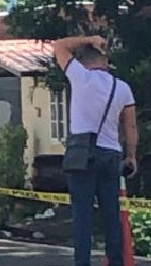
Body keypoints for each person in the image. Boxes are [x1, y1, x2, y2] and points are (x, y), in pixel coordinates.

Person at [53, 35, 138, 266]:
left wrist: (89, 38)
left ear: (85, 61)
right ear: (106, 61)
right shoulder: (122, 88)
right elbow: (130, 125)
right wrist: (131, 156)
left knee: (83, 217)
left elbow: (59, 46)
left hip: (83, 155)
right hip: (111, 155)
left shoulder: (80, 77)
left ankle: (83, 262)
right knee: (112, 216)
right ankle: (117, 261)